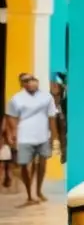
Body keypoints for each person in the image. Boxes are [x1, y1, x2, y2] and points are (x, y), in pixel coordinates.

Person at [4, 73, 58, 205]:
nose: (30, 82)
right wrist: (12, 132)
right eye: (26, 80)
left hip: (43, 136)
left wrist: (55, 137)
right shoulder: (16, 99)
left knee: (41, 165)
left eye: (32, 79)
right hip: (24, 137)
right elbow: (10, 116)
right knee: (24, 166)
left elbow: (52, 117)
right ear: (21, 83)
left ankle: (38, 191)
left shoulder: (46, 97)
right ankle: (29, 194)